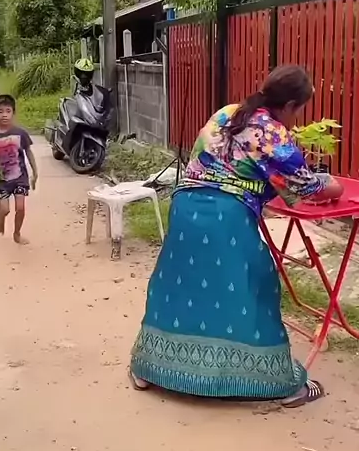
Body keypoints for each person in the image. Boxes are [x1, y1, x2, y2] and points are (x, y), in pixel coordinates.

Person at [130, 65, 343, 408]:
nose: (297, 117)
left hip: (184, 208)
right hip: (225, 216)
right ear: (290, 105)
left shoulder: (227, 113)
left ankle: (149, 367)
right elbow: (308, 186)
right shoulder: (273, 134)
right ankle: (280, 384)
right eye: (299, 110)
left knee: (176, 285)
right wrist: (334, 187)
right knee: (254, 285)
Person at [0, 93, 38, 244]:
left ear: (13, 112)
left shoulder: (20, 133)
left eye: (8, 111)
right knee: (5, 209)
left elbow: (28, 152)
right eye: (0, 111)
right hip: (1, 180)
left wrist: (35, 173)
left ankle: (17, 233)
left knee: (20, 208)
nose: (4, 115)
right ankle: (1, 218)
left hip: (20, 177)